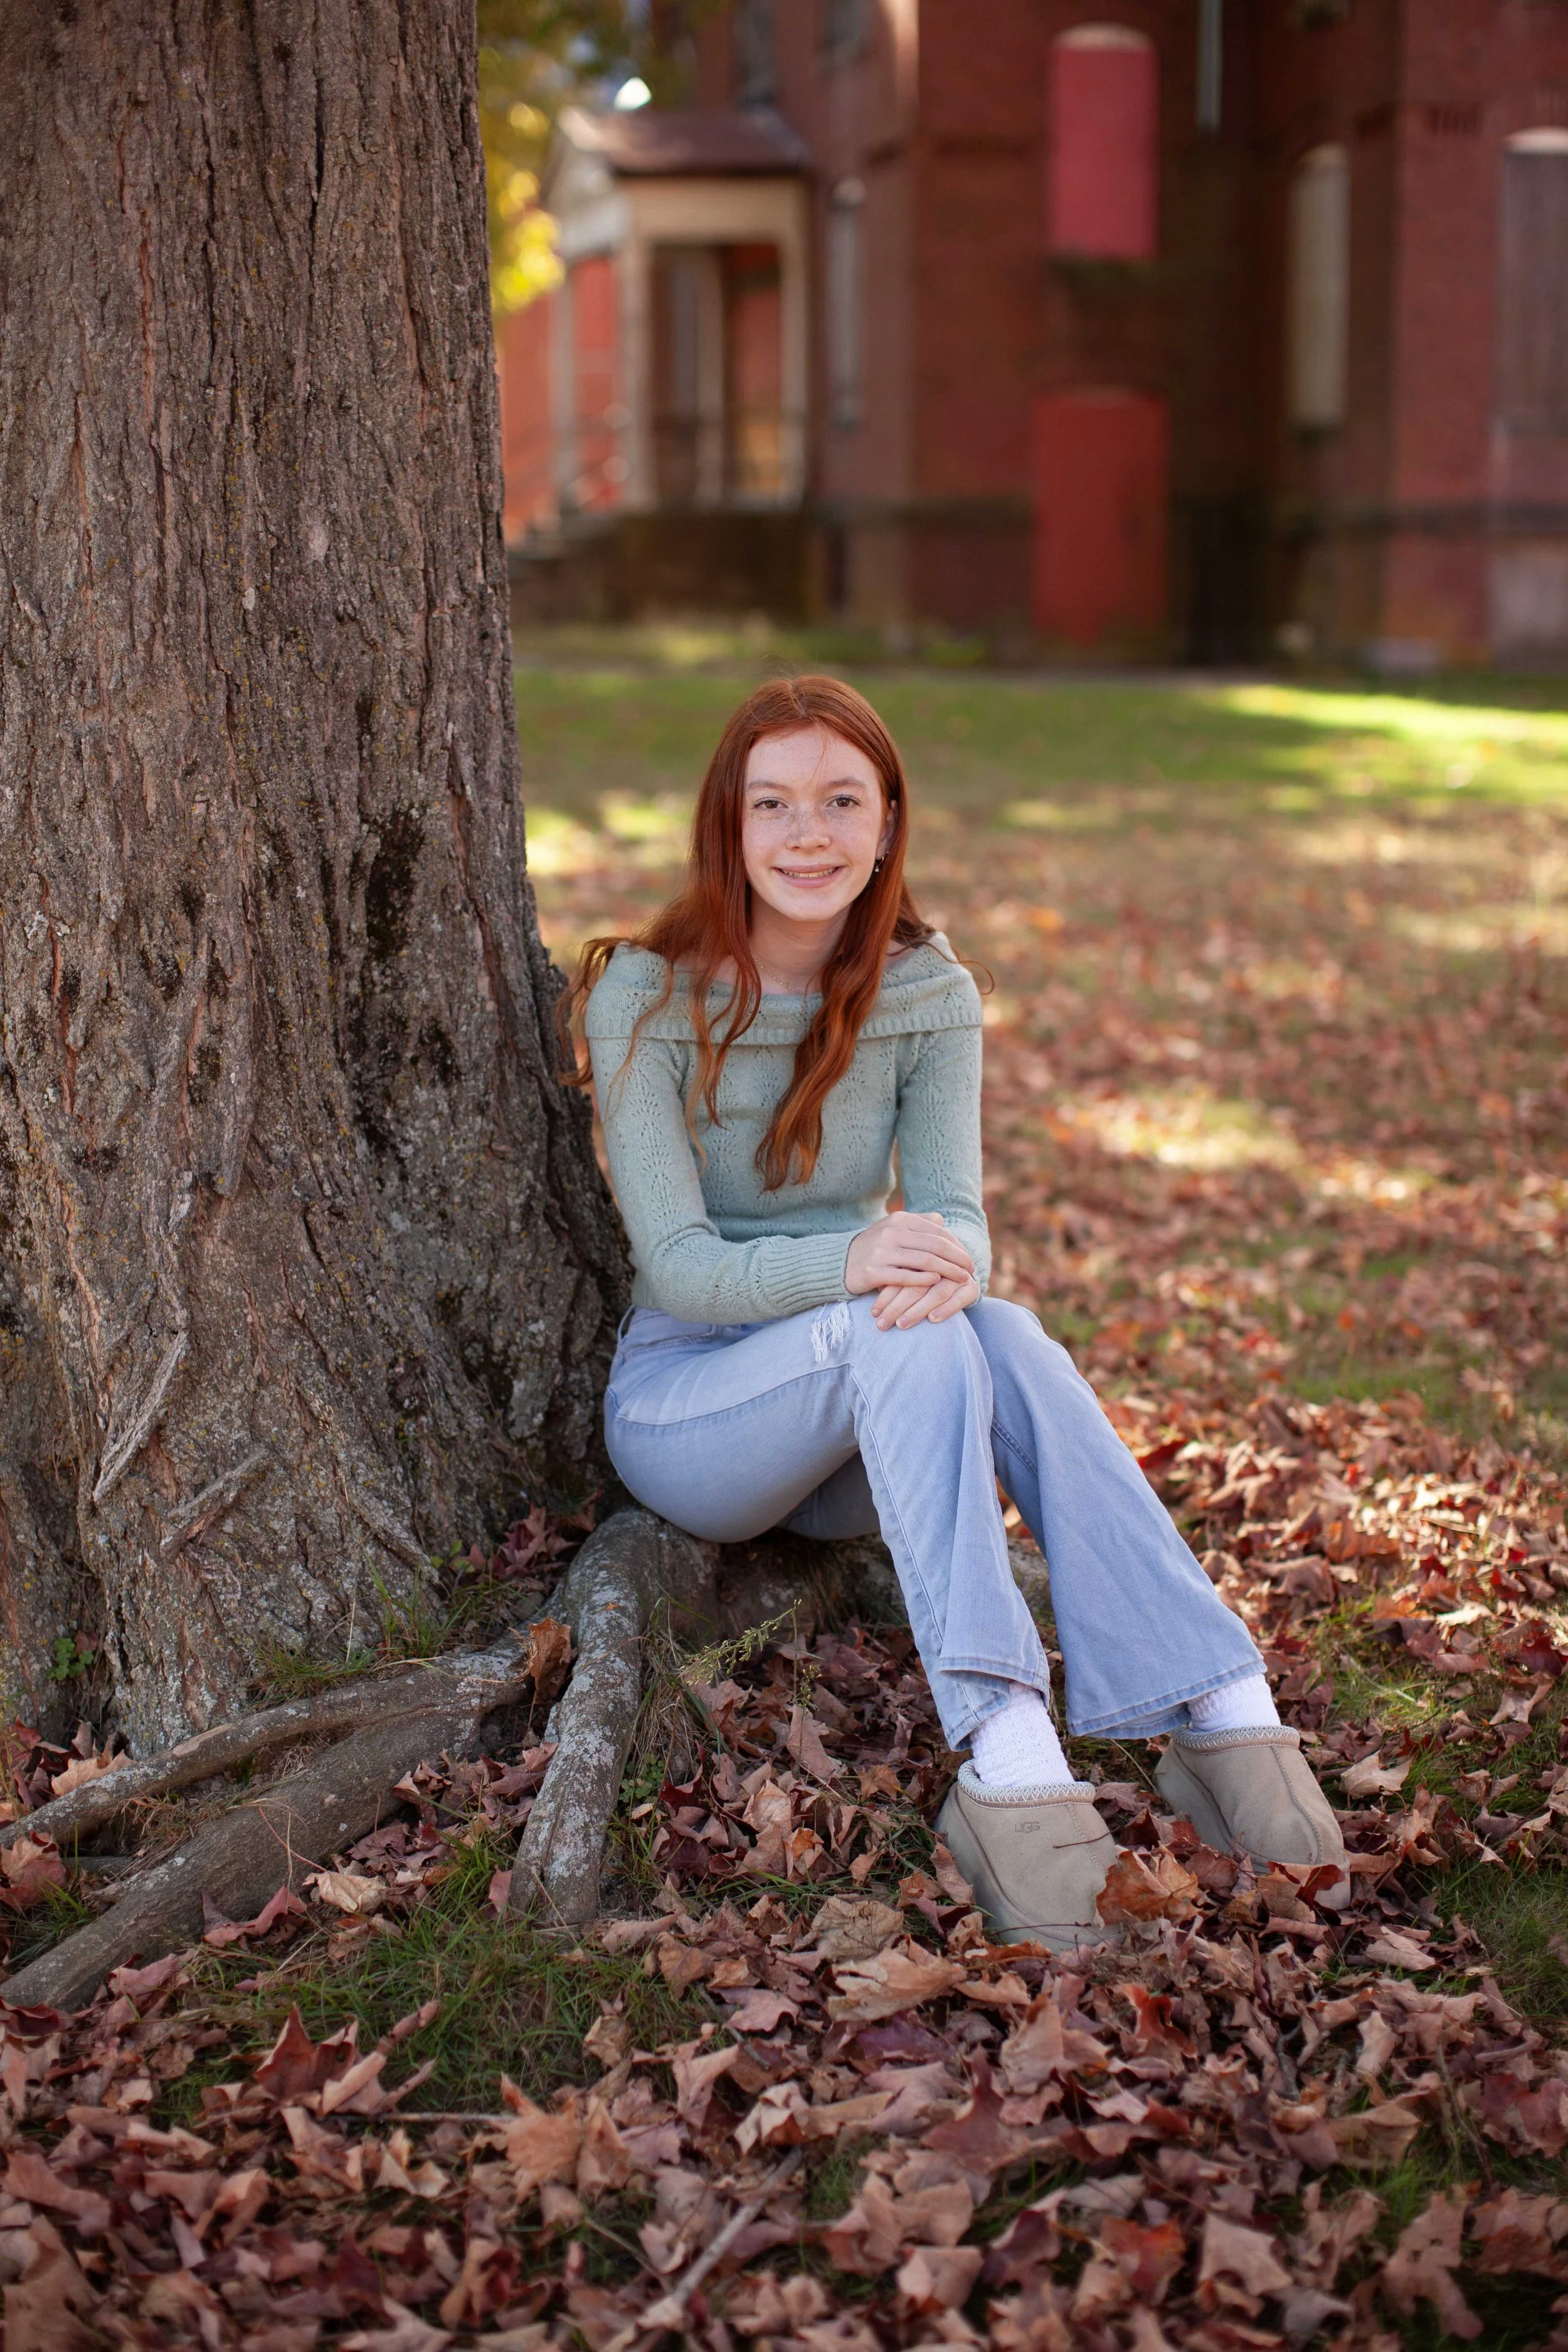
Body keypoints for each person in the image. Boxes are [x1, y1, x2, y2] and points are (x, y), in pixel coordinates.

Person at [562, 677, 1345, 1946]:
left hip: (876, 1432)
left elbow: (957, 1222)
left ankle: (1219, 1704)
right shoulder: (646, 996)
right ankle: (1008, 1747)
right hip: (693, 1415)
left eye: (838, 802)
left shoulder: (924, 993)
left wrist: (940, 1268)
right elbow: (686, 1267)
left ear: (884, 828)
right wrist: (864, 1263)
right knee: (911, 1322)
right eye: (773, 805)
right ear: (729, 826)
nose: (806, 834)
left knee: (1005, 1331)